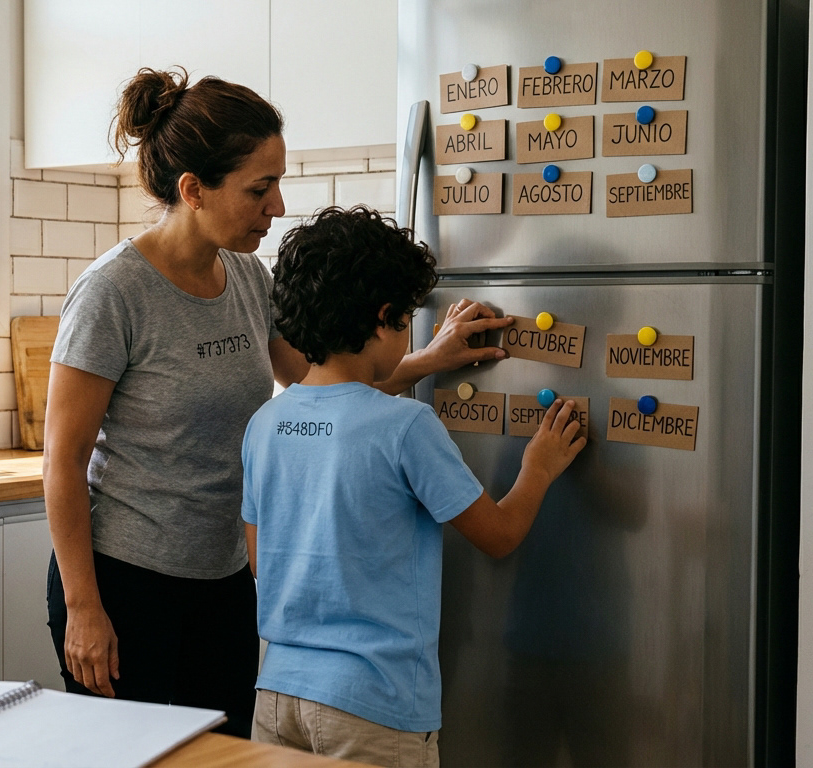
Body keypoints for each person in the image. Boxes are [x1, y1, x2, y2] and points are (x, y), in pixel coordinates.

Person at [42, 67, 511, 738]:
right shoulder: (113, 293)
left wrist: (429, 360)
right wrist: (84, 607)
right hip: (125, 586)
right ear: (193, 191)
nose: (278, 205)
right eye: (260, 189)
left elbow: (328, 390)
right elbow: (63, 462)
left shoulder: (245, 275)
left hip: (225, 579)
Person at [241, 205, 587, 766]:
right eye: (405, 321)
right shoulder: (405, 426)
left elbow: (263, 563)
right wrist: (539, 468)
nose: (408, 333)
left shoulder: (266, 424)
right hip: (373, 702)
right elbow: (498, 535)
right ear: (383, 317)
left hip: (277, 694)